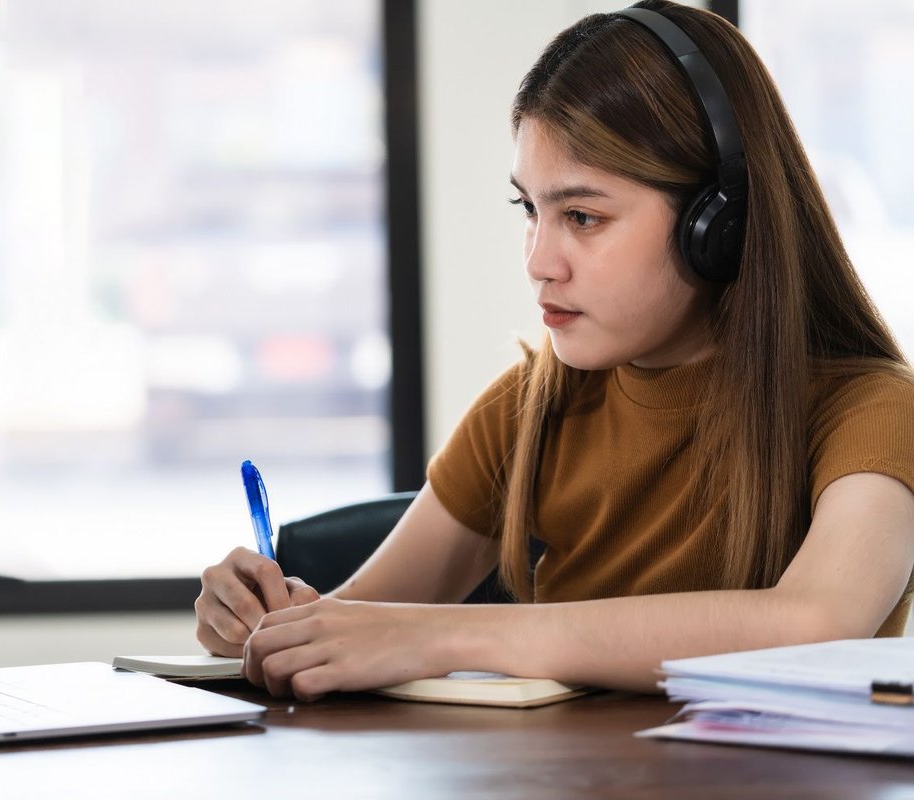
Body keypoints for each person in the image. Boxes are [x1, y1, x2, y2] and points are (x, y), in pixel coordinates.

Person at [194, 0, 914, 700]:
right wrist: (269, 625)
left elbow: (817, 622)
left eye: (581, 215)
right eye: (529, 211)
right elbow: (362, 619)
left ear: (717, 225)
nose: (540, 260)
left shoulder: (874, 410)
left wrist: (450, 637)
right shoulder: (531, 406)